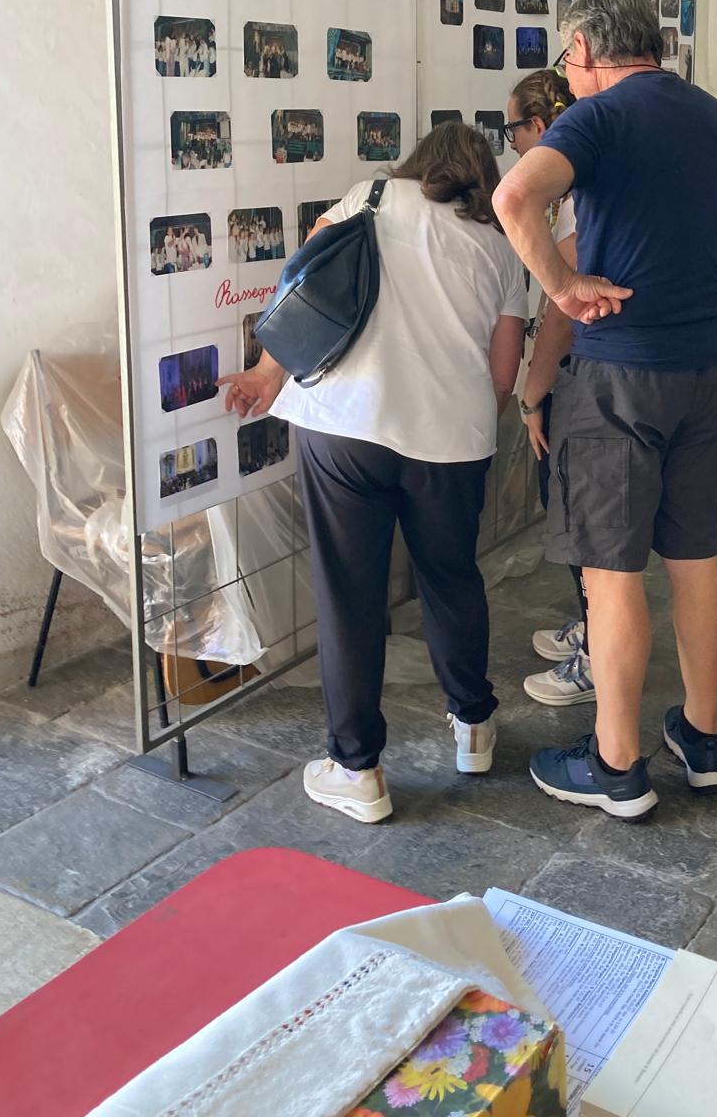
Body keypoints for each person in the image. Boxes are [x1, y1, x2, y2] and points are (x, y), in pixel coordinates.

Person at [494, 0, 717, 819]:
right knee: (695, 554)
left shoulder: (596, 119)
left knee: (611, 574)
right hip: (707, 368)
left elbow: (513, 198)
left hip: (620, 375)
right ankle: (703, 739)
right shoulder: (714, 117)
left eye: (568, 60)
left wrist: (561, 288)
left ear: (587, 50)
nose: (568, 75)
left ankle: (616, 767)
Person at [220, 122, 528, 825]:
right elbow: (503, 372)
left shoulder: (370, 197)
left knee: (350, 595)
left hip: (346, 422)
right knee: (450, 579)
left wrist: (268, 372)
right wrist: (457, 415)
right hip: (451, 441)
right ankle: (474, 726)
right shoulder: (500, 243)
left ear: (418, 163)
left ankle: (357, 768)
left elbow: (303, 285)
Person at [506, 70, 595, 709]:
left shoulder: (575, 197)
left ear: (539, 127)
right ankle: (594, 628)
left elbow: (561, 314)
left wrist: (533, 396)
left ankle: (598, 655)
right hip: (587, 377)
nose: (511, 144)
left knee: (579, 519)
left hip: (576, 381)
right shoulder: (575, 191)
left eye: (513, 129)